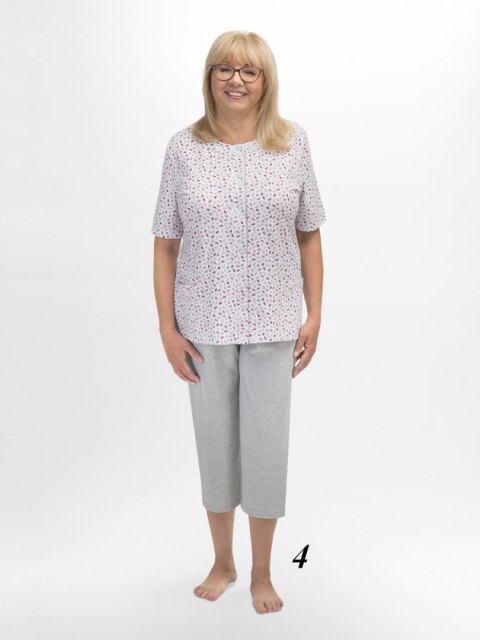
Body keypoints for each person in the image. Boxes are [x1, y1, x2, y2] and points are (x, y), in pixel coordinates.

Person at [151, 30, 327, 614]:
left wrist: (315, 313)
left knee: (266, 450)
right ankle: (223, 561)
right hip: (203, 325)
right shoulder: (183, 148)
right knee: (216, 446)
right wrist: (167, 329)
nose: (236, 80)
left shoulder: (292, 143)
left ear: (265, 81)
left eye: (249, 71)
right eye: (224, 68)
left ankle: (262, 571)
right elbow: (166, 243)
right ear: (209, 77)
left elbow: (309, 234)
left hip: (274, 324)